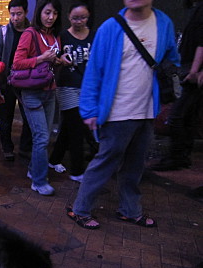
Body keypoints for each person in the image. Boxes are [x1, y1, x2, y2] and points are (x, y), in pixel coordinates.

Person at [66, 0, 180, 230]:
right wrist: (89, 110)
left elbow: (172, 58)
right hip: (116, 111)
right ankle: (80, 209)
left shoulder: (163, 23)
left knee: (135, 165)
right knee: (105, 163)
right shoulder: (110, 27)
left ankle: (130, 210)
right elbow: (94, 70)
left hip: (147, 110)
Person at [13, 0, 63, 196]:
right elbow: (17, 64)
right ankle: (39, 181)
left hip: (50, 90)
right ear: (39, 13)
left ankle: (34, 170)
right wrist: (42, 58)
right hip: (32, 91)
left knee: (45, 136)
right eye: (47, 12)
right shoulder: (30, 34)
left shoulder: (55, 36)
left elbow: (53, 62)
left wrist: (58, 61)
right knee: (41, 137)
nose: (51, 17)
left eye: (55, 13)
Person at [151, 1, 203, 171]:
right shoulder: (196, 9)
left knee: (177, 116)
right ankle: (181, 156)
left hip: (195, 71)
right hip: (190, 67)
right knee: (186, 116)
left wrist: (195, 70)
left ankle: (178, 156)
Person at [48, 2, 96, 183]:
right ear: (68, 17)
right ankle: (77, 171)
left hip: (88, 88)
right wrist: (60, 59)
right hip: (67, 87)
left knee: (68, 128)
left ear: (88, 17)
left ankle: (53, 160)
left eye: (83, 17)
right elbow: (52, 59)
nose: (79, 21)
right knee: (77, 128)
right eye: (75, 17)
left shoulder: (93, 36)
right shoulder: (62, 36)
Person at [0, 0, 32, 161]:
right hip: (6, 83)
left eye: (19, 14)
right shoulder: (2, 33)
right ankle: (7, 147)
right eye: (13, 14)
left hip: (28, 83)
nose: (15, 18)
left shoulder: (32, 32)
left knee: (29, 118)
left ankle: (25, 147)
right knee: (5, 118)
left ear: (26, 12)